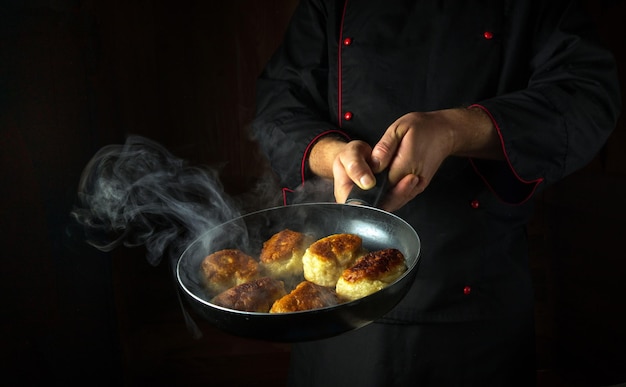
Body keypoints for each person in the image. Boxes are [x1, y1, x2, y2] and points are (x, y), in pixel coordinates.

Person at [251, 0, 621, 385]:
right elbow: (278, 104)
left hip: (478, 305)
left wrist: (455, 129)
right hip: (337, 314)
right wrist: (335, 156)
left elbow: (588, 97)